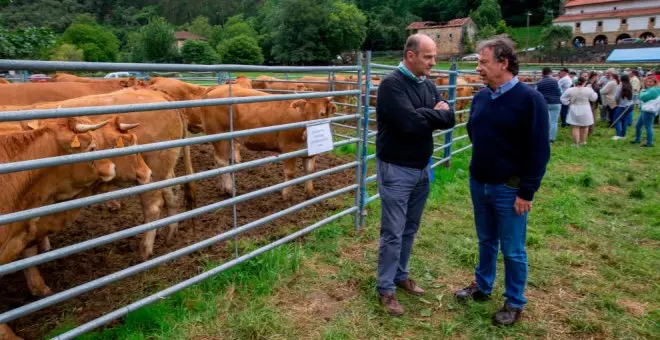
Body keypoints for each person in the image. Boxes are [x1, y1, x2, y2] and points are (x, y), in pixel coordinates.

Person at [455, 36, 550, 326]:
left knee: (512, 248)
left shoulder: (530, 100)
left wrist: (527, 191)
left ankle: (514, 301)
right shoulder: (482, 96)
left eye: (483, 62)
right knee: (485, 240)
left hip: (509, 188)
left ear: (503, 63)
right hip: (480, 181)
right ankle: (483, 286)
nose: (479, 68)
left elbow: (539, 150)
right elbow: (475, 131)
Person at [375, 33, 456, 316]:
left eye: (433, 56)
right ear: (411, 56)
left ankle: (400, 274)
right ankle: (385, 287)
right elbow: (409, 124)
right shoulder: (391, 86)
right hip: (396, 168)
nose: (434, 62)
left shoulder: (428, 85)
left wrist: (426, 114)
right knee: (393, 232)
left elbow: (451, 117)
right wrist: (431, 113)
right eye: (428, 57)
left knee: (410, 227)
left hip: (422, 168)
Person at [561, 77, 598, 145]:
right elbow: (593, 98)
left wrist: (568, 103)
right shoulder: (588, 89)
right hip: (586, 108)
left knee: (575, 126)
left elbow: (563, 99)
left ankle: (576, 143)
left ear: (574, 83)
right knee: (585, 126)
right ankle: (583, 141)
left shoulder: (570, 90)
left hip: (574, 108)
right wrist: (592, 90)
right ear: (584, 82)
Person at [536, 67, 562, 143]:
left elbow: (536, 92)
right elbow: (560, 91)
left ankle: (544, 136)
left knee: (545, 120)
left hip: (544, 103)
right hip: (556, 102)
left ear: (542, 73)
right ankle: (552, 138)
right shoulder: (555, 81)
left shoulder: (540, 82)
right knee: (554, 121)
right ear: (550, 72)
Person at [632, 75, 660, 147]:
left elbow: (643, 97)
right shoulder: (650, 89)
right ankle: (637, 139)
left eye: (651, 82)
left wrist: (642, 92)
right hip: (645, 110)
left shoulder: (653, 90)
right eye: (647, 82)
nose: (648, 83)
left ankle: (649, 143)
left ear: (654, 83)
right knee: (638, 125)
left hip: (648, 111)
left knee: (648, 127)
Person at [611, 74, 634, 140]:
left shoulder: (620, 86)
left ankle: (618, 135)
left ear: (621, 79)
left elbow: (616, 96)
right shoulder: (630, 85)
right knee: (624, 120)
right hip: (630, 106)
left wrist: (616, 101)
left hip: (622, 106)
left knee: (616, 119)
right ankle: (623, 135)